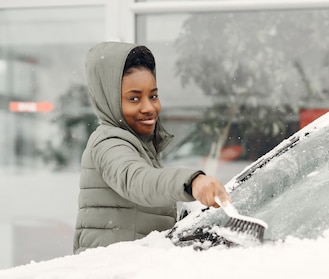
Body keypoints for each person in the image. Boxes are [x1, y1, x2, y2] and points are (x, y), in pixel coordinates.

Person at [74, 41, 230, 254]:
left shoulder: (139, 145)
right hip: (112, 276)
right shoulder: (109, 142)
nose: (149, 108)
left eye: (153, 96)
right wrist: (192, 182)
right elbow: (137, 180)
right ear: (109, 100)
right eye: (134, 98)